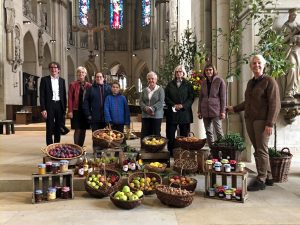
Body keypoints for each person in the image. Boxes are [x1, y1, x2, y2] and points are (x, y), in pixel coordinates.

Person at [227, 55, 281, 191]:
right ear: (250, 66)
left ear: (263, 65)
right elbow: (248, 102)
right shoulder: (251, 83)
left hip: (262, 121)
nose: (256, 65)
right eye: (253, 63)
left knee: (261, 150)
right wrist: (234, 108)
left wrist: (270, 123)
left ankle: (260, 179)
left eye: (259, 63)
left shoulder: (270, 81)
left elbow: (275, 104)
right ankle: (268, 176)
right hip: (250, 120)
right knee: (259, 150)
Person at [165, 65, 194, 156]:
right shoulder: (170, 84)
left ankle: (184, 153)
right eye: (177, 72)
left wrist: (183, 105)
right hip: (172, 113)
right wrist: (174, 105)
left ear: (183, 73)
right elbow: (166, 98)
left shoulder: (188, 84)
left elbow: (191, 98)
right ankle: (171, 153)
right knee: (170, 134)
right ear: (175, 73)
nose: (178, 73)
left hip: (184, 113)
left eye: (180, 71)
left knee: (184, 135)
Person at [198, 64, 226, 148]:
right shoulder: (203, 83)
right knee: (208, 132)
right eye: (207, 70)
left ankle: (222, 151)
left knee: (218, 131)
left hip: (216, 110)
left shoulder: (219, 81)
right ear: (205, 72)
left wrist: (223, 111)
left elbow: (223, 97)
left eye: (210, 70)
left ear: (213, 70)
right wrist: (199, 111)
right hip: (205, 110)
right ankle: (213, 151)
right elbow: (201, 97)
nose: (208, 72)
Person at [40, 62, 67, 145]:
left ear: (58, 70)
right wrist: (43, 109)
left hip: (59, 105)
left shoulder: (62, 80)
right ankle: (50, 147)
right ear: (49, 69)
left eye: (55, 67)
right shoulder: (44, 80)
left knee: (58, 127)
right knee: (49, 127)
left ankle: (57, 145)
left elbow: (63, 95)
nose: (53, 69)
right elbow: (42, 96)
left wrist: (65, 108)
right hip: (49, 105)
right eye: (51, 67)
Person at [67, 66, 92, 146]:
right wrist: (70, 111)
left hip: (85, 111)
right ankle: (76, 148)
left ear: (85, 74)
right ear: (77, 74)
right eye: (79, 72)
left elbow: (91, 99)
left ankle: (80, 147)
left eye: (82, 72)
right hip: (76, 110)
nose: (81, 74)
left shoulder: (89, 86)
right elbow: (70, 98)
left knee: (83, 130)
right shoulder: (72, 84)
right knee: (77, 129)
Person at [139, 71, 165, 141]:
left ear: (156, 80)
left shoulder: (160, 90)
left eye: (152, 79)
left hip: (156, 115)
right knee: (145, 133)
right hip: (145, 115)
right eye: (149, 79)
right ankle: (144, 148)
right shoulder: (144, 90)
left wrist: (152, 108)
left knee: (156, 133)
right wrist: (145, 108)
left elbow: (161, 101)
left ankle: (156, 149)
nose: (151, 80)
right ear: (147, 80)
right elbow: (141, 101)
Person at [281, 8, 300, 99]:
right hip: (288, 51)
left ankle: (295, 90)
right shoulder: (285, 26)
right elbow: (281, 40)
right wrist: (292, 34)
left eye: (296, 15)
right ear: (289, 15)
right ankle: (289, 91)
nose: (295, 16)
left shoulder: (297, 25)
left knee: (297, 70)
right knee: (291, 69)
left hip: (297, 50)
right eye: (293, 15)